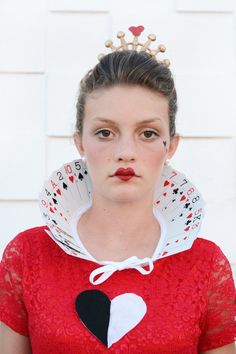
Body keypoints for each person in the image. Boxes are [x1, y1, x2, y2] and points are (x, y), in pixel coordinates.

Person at [0, 26, 235, 354]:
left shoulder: (207, 266)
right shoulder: (27, 256)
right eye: (106, 132)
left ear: (172, 146)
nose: (126, 150)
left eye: (148, 133)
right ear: (80, 141)